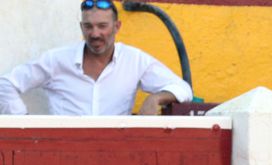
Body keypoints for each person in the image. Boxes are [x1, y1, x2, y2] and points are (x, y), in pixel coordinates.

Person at [0, 0, 192, 116]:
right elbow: (6, 84)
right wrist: (23, 122)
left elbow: (183, 89)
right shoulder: (57, 60)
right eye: (88, 26)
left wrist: (156, 98)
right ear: (81, 27)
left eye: (102, 26)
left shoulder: (134, 60)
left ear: (117, 27)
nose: (95, 33)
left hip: (115, 153)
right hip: (62, 154)